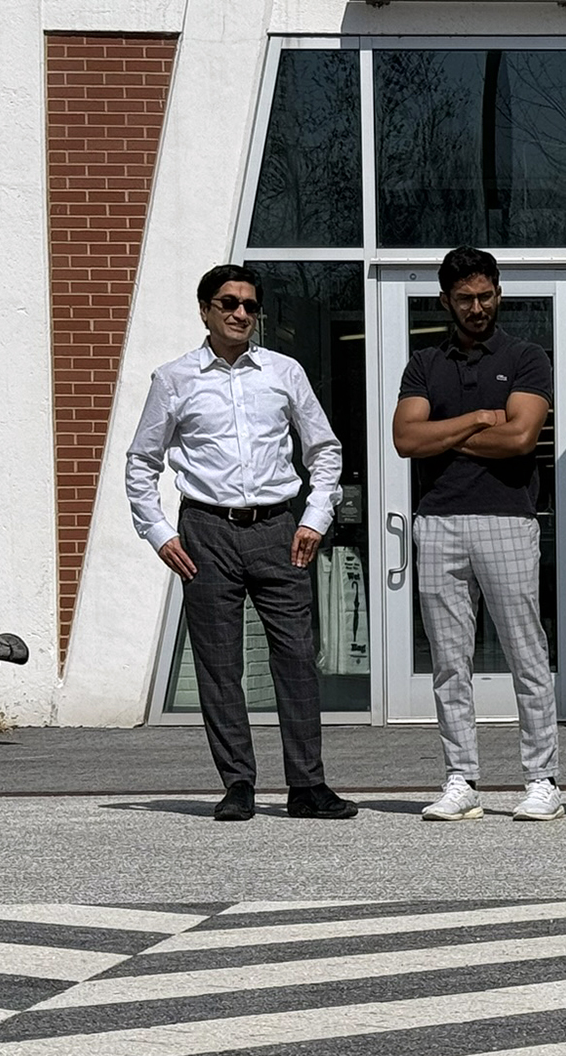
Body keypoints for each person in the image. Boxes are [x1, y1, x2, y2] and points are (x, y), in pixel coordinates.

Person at [125, 264, 356, 822]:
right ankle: (237, 785)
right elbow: (140, 463)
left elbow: (324, 449)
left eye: (250, 306)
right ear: (205, 310)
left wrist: (314, 518)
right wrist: (158, 532)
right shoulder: (174, 379)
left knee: (298, 659)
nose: (240, 314)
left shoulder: (283, 372)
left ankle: (307, 786)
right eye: (228, 303)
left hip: (280, 530)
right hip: (205, 531)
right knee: (220, 663)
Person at [393, 247, 563, 823]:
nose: (477, 307)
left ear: (499, 294)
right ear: (445, 301)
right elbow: (405, 441)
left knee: (526, 652)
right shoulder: (423, 363)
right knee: (448, 660)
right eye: (464, 298)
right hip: (438, 519)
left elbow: (520, 440)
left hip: (507, 519)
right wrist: (476, 420)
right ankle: (461, 778)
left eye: (485, 295)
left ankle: (543, 779)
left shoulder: (525, 357)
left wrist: (441, 434)